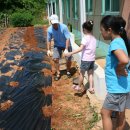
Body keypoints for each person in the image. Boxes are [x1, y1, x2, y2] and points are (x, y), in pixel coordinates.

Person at [100, 15, 130, 130]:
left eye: (102, 30)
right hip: (123, 86)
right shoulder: (121, 40)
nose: (101, 34)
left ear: (109, 30)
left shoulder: (115, 43)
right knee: (120, 113)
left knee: (105, 113)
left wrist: (119, 68)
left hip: (117, 88)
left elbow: (124, 60)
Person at [65, 20, 96, 95]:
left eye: (83, 29)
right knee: (90, 74)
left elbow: (80, 48)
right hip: (92, 59)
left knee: (82, 74)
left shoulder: (85, 38)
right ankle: (91, 88)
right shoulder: (94, 38)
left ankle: (78, 86)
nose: (83, 31)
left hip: (86, 60)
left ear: (85, 29)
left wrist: (70, 53)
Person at [47, 14, 72, 81]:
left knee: (68, 58)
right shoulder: (49, 30)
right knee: (55, 59)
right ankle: (58, 73)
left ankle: (68, 71)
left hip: (66, 44)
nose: (55, 25)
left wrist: (66, 49)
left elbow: (68, 38)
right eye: (53, 24)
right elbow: (49, 40)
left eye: (56, 23)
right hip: (57, 45)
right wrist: (48, 50)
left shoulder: (64, 27)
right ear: (50, 22)